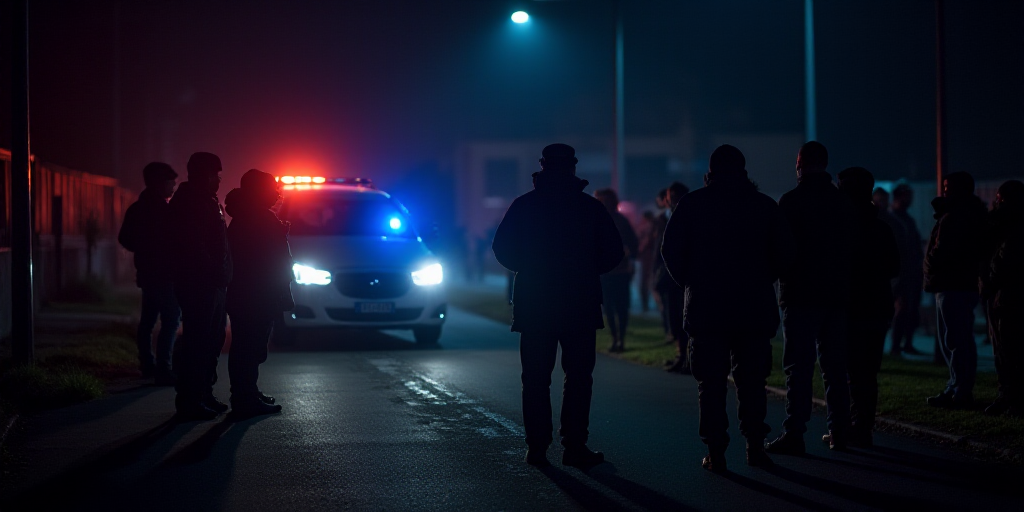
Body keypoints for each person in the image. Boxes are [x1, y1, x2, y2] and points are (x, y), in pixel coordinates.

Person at [662, 145, 793, 472]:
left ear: (711, 172)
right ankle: (754, 444)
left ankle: (716, 450)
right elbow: (784, 254)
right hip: (753, 308)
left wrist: (690, 282)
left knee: (711, 383)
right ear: (743, 170)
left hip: (707, 308)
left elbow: (671, 250)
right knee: (752, 382)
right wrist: (764, 278)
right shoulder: (764, 206)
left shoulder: (692, 204)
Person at [492, 143, 624, 469]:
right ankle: (574, 446)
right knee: (578, 377)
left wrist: (528, 267)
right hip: (580, 301)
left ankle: (537, 447)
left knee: (535, 378)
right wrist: (587, 269)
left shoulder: (524, 205)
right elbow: (613, 252)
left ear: (542, 166)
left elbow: (502, 248)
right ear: (573, 168)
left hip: (535, 302)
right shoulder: (589, 208)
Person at [766, 141, 854, 453]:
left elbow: (779, 248)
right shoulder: (842, 201)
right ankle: (840, 430)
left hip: (800, 294)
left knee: (799, 368)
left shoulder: (791, 201)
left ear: (799, 163)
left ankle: (795, 432)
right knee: (834, 368)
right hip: (837, 295)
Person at [835, 168, 900, 448]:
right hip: (876, 308)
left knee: (847, 372)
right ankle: (863, 427)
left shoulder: (839, 227)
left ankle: (850, 426)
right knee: (868, 373)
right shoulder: (882, 226)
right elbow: (894, 267)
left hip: (848, 308)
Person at [169, 152, 233, 420]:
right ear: (201, 174)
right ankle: (190, 400)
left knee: (212, 340)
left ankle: (203, 394)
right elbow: (194, 246)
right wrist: (214, 271)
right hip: (199, 283)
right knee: (197, 341)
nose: (218, 182)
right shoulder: (189, 202)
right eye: (215, 176)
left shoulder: (207, 200)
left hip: (213, 283)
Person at [224, 170, 293, 417]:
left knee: (249, 345)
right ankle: (245, 398)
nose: (276, 192)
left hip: (251, 292)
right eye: (271, 187)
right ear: (259, 191)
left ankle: (247, 392)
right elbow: (266, 260)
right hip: (254, 294)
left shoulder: (249, 217)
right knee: (249, 346)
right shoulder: (256, 219)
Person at [924, 171, 988, 409]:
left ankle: (960, 389)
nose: (945, 190)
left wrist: (930, 261)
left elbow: (944, 252)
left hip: (953, 285)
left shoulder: (957, 217)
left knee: (955, 339)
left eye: (949, 186)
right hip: (957, 284)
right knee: (955, 338)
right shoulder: (967, 213)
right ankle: (956, 386)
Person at [117, 162, 181, 385]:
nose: (174, 185)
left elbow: (125, 239)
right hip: (166, 274)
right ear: (159, 183)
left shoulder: (137, 209)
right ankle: (164, 368)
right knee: (171, 321)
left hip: (147, 273)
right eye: (170, 181)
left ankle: (147, 364)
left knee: (148, 322)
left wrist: (143, 249)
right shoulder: (167, 211)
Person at [980, 180, 1024, 417]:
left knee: (1008, 350)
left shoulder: (1010, 225)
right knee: (1005, 349)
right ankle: (1007, 396)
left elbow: (1002, 260)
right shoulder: (1001, 223)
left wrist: (989, 279)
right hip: (1003, 293)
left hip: (1007, 295)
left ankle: (1012, 399)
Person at [594, 188, 638, 353]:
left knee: (621, 306)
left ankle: (621, 339)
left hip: (620, 271)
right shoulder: (597, 220)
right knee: (609, 307)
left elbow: (633, 244)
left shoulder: (620, 220)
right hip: (604, 272)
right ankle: (615, 338)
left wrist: (629, 255)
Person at [890, 184, 925, 356]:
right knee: (902, 309)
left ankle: (907, 343)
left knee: (911, 309)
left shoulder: (907, 220)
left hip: (913, 272)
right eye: (906, 196)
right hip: (901, 273)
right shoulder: (893, 219)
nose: (909, 199)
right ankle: (896, 345)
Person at [660, 181, 691, 373]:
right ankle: (682, 357)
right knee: (677, 319)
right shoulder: (669, 215)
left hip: (682, 276)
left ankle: (685, 358)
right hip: (676, 276)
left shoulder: (686, 214)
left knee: (685, 320)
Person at [650, 189, 672, 339]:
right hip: (660, 263)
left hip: (665, 264)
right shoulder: (661, 218)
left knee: (667, 301)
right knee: (664, 300)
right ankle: (669, 331)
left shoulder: (665, 218)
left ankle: (672, 333)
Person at [636, 210, 657, 312]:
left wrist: (639, 250)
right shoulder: (652, 227)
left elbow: (645, 242)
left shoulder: (647, 228)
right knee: (648, 283)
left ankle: (646, 306)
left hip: (647, 259)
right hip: (649, 259)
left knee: (645, 283)